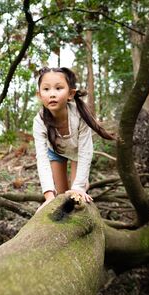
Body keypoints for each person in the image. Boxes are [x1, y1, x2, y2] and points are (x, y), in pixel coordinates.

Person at [33, 67, 115, 212]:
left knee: (78, 192)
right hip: (56, 151)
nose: (52, 94)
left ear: (70, 93)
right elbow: (42, 158)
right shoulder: (39, 121)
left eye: (58, 88)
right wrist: (49, 196)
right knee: (62, 197)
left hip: (77, 152)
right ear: (39, 95)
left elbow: (85, 152)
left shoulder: (80, 115)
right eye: (46, 89)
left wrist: (79, 187)